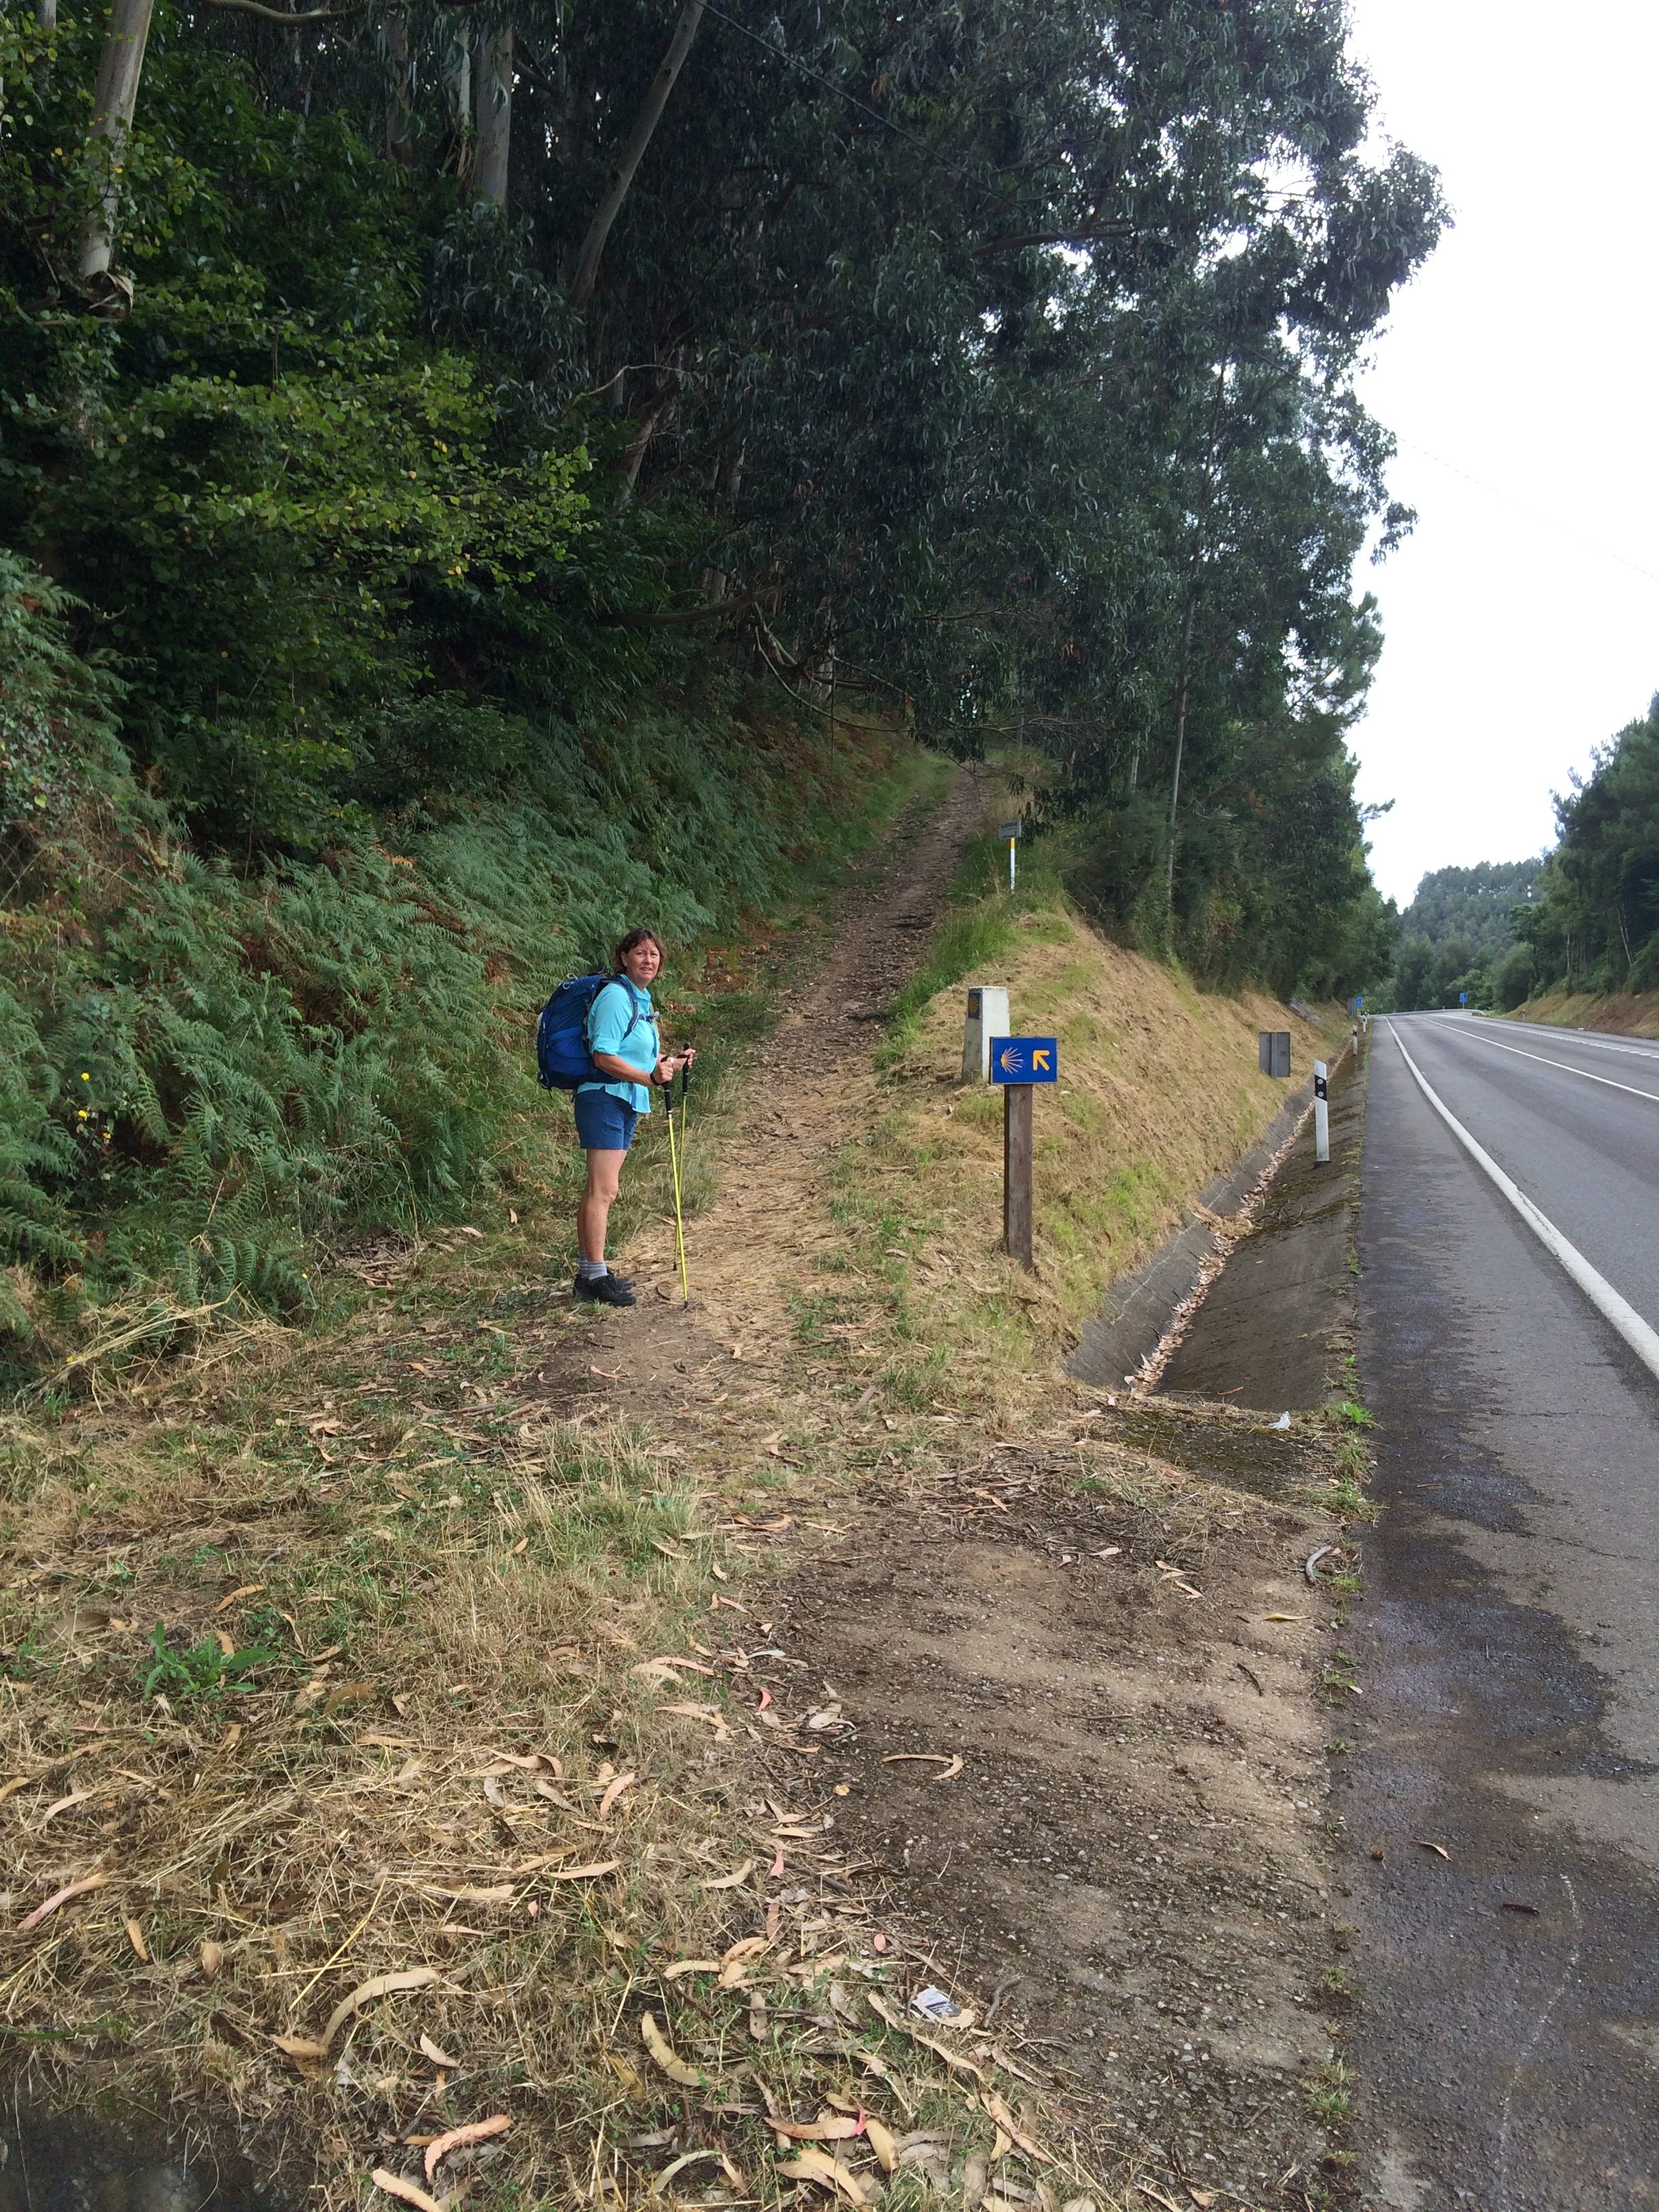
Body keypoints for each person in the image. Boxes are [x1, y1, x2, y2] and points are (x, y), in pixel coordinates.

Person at [573, 926, 693, 1307]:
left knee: (598, 1188)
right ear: (624, 958)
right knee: (604, 1190)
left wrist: (671, 1063)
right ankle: (595, 1277)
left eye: (654, 954)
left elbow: (638, 1057)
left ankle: (590, 1272)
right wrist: (649, 1078)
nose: (648, 960)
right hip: (604, 1098)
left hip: (623, 1099)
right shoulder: (616, 996)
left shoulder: (640, 999)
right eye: (640, 953)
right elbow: (603, 1056)